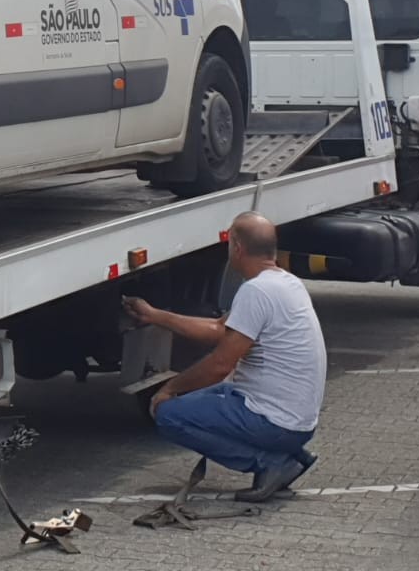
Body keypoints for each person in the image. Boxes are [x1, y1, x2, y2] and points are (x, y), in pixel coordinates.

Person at [122, 211, 327, 503]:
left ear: (237, 248)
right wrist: (155, 316)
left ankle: (269, 463)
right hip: (298, 422)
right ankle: (290, 454)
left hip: (276, 423)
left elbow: (220, 365)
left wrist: (169, 389)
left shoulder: (256, 291)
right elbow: (220, 329)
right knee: (213, 394)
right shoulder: (286, 282)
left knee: (168, 415)